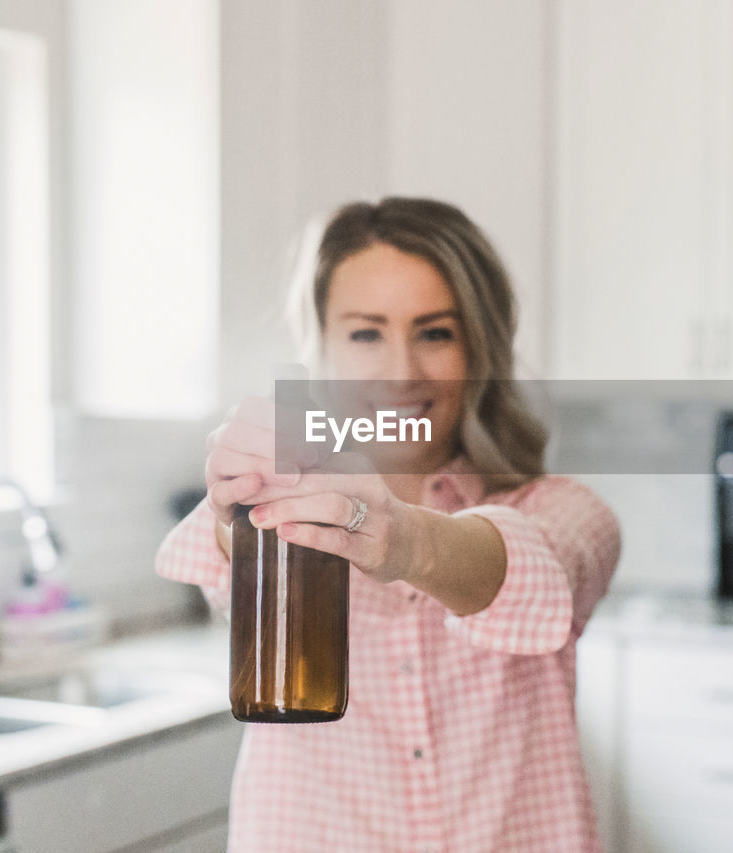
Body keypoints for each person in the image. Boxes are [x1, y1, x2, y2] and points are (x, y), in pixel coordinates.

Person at [155, 197, 621, 852]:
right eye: (366, 333)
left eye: (435, 332)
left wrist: (403, 538)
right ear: (322, 348)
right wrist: (243, 500)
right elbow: (224, 569)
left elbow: (544, 567)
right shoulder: (286, 507)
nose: (400, 370)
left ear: (479, 348)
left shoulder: (563, 509)